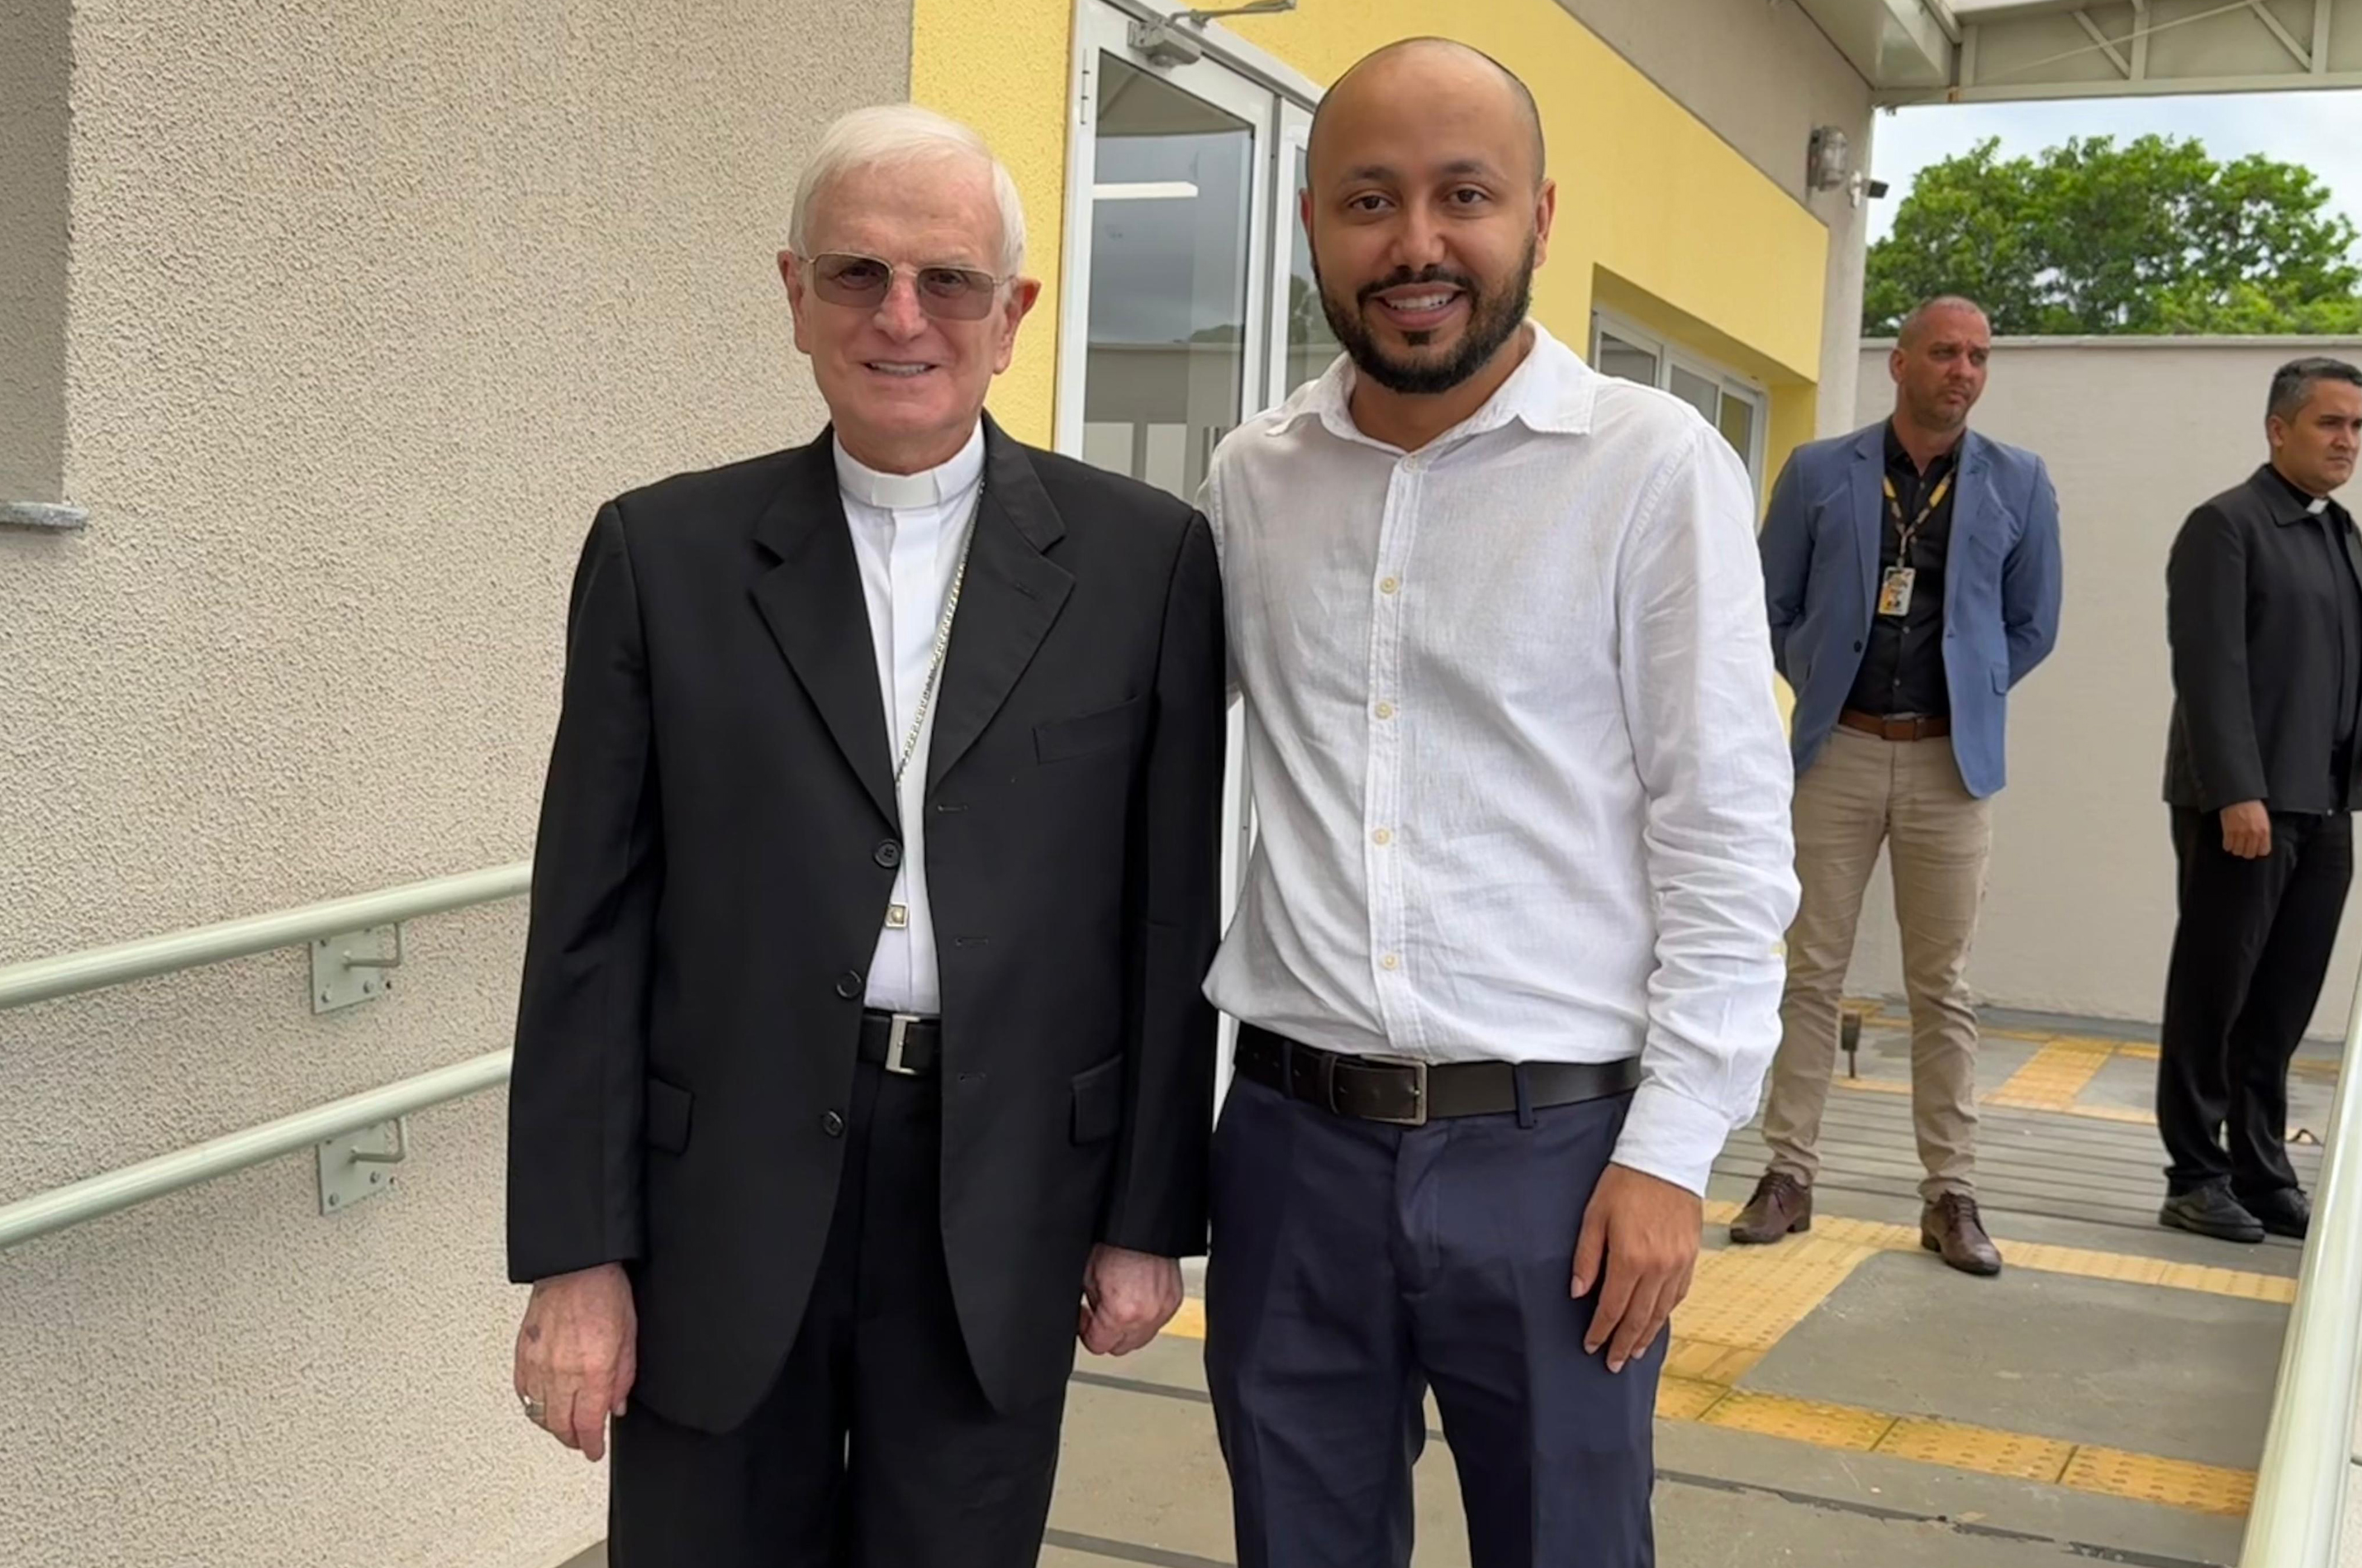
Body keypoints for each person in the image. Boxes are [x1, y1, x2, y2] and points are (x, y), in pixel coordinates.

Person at [501, 103, 1226, 1566]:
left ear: (1012, 314)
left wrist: (1147, 1218)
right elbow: (587, 922)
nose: (902, 316)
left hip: (1001, 1190)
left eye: (947, 280)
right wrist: (576, 1258)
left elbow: (1163, 912)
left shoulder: (1145, 562)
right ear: (793, 296)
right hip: (722, 1198)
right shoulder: (664, 555)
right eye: (856, 275)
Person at [1195, 39, 1799, 1568]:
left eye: (1460, 195)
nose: (1413, 244)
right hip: (1289, 1144)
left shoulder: (1650, 468)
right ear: (1313, 227)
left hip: (1562, 1161)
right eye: (1366, 199)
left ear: (1537, 212)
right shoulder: (1250, 478)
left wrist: (1670, 1152)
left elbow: (1723, 838)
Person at [1738, 296, 2062, 1277]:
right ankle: (1788, 1173)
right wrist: (1815, 664)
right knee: (1810, 970)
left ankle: (1951, 1193)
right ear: (1902, 362)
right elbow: (1769, 594)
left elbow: (2032, 622)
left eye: (1978, 357)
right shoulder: (1821, 471)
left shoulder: (2019, 480)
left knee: (1943, 987)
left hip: (1948, 762)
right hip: (1837, 749)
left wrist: (1971, 684)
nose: (1963, 370)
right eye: (1945, 352)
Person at [2156, 357, 2362, 1243]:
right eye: (2329, 423)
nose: (2347, 440)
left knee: (2281, 1001)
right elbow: (2209, 671)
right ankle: (2195, 1173)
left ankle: (2260, 1166)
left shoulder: (2341, 535)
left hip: (2323, 810)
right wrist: (2239, 790)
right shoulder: (2225, 526)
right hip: (2241, 806)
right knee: (2215, 993)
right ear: (2278, 429)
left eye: (2356, 426)